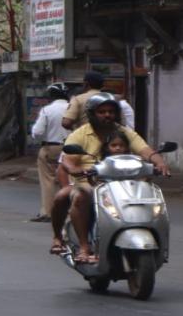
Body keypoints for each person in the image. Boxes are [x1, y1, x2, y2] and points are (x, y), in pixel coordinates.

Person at [52, 93, 170, 262]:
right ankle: (84, 247)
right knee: (79, 196)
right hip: (89, 183)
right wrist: (76, 170)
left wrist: (160, 163)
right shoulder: (80, 134)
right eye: (102, 112)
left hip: (122, 183)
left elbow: (146, 151)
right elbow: (67, 160)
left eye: (111, 111)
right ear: (93, 114)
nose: (107, 115)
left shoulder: (124, 132)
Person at [29, 84, 70, 223]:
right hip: (71, 149)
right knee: (68, 180)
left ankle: (49, 212)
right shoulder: (72, 108)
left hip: (51, 148)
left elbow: (37, 132)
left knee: (48, 181)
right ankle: (70, 211)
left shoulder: (47, 110)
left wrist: (40, 138)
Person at [61, 71, 137, 131]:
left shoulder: (78, 99)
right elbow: (122, 123)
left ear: (86, 84)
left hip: (85, 141)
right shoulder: (112, 98)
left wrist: (76, 130)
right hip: (108, 142)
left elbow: (66, 123)